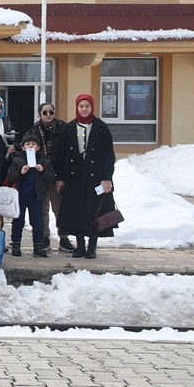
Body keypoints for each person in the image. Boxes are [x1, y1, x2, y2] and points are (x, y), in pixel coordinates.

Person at [53, 94, 117, 261]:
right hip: (73, 177)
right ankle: (80, 246)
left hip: (95, 177)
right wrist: (60, 177)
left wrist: (107, 178)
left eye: (87, 106)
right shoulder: (68, 128)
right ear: (77, 107)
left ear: (92, 107)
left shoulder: (101, 128)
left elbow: (108, 155)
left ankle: (92, 246)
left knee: (93, 210)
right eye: (81, 106)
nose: (84, 109)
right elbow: (60, 155)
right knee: (76, 210)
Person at [7, 131, 55, 258]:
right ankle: (16, 244)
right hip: (21, 196)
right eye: (27, 144)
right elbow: (11, 176)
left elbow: (51, 177)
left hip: (36, 196)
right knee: (18, 221)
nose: (30, 146)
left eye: (33, 144)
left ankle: (38, 246)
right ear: (23, 147)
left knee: (37, 222)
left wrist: (42, 170)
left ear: (38, 147)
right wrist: (20, 172)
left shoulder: (44, 160)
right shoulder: (18, 160)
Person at [31, 101, 67, 251]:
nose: (48, 115)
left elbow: (66, 154)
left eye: (51, 112)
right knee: (42, 209)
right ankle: (44, 237)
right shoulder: (33, 131)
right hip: (41, 175)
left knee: (59, 208)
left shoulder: (63, 129)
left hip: (57, 175)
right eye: (44, 112)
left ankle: (64, 238)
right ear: (39, 114)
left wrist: (61, 177)